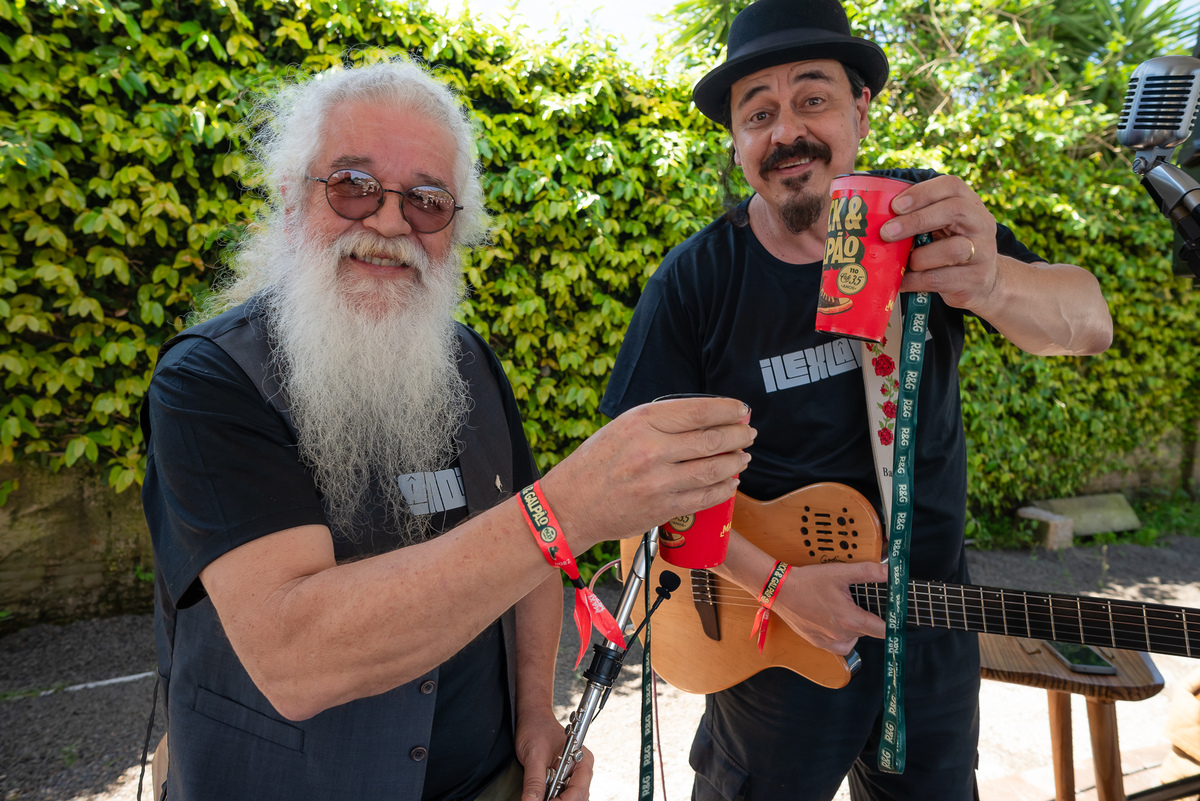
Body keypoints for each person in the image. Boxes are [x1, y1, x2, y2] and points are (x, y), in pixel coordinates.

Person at [140, 57, 756, 801]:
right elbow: (297, 654)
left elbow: (533, 565)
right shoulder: (207, 380)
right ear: (289, 200)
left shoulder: (468, 362)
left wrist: (536, 710)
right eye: (353, 185)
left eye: (429, 200)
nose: (391, 220)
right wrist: (570, 505)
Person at [599, 0, 1114, 799]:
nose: (785, 132)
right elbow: (633, 486)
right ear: (737, 142)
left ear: (860, 108)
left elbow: (1087, 322)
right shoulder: (696, 282)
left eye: (813, 99)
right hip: (769, 633)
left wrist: (992, 280)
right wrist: (777, 584)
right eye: (757, 113)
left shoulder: (928, 221)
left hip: (931, 622)